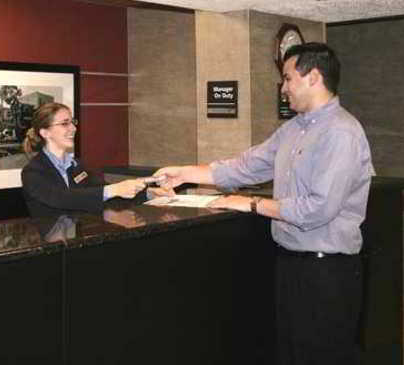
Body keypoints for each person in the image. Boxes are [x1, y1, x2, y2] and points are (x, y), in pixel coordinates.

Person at [155, 42, 374, 365]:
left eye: (287, 78)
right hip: (291, 264)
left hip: (327, 271)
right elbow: (243, 167)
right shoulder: (293, 130)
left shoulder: (342, 133)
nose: (283, 88)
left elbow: (317, 209)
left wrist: (252, 203)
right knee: (290, 353)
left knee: (322, 355)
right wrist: (183, 173)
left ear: (313, 77)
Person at [21, 102, 150, 218]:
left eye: (72, 122)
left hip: (79, 238)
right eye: (65, 123)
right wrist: (113, 189)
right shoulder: (32, 172)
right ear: (45, 133)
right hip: (50, 242)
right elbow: (62, 198)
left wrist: (149, 193)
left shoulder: (78, 166)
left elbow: (104, 194)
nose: (73, 128)